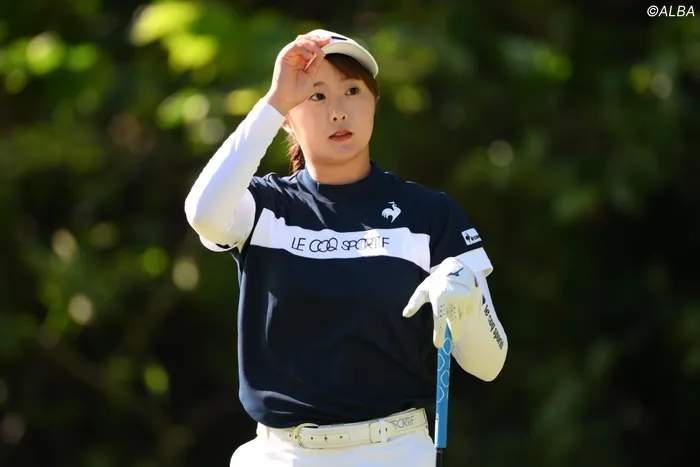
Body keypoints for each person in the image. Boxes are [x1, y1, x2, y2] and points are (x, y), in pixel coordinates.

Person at [184, 28, 508, 467]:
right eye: (316, 96)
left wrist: (467, 301)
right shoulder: (263, 206)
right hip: (280, 455)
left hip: (393, 451)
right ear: (288, 120)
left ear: (374, 102)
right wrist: (274, 101)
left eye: (353, 91)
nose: (338, 111)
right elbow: (203, 213)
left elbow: (489, 363)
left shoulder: (429, 214)